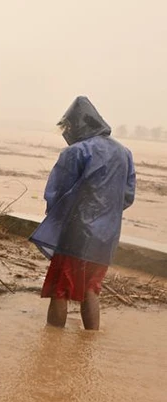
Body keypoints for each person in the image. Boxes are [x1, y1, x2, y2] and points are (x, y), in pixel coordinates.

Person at [30, 96, 136, 330]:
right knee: (91, 290)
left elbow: (56, 193)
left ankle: (51, 343)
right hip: (106, 238)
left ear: (79, 124)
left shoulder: (75, 152)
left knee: (60, 290)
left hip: (76, 235)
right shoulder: (124, 152)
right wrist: (104, 216)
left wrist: (62, 222)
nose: (67, 132)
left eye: (68, 127)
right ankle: (89, 343)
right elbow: (127, 197)